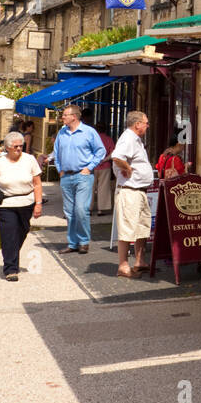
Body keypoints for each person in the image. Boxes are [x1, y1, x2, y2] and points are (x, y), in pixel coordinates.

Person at [0, 131, 43, 282]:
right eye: (15, 146)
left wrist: (38, 203)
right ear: (8, 147)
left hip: (26, 202)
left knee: (22, 232)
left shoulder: (30, 160)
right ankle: (11, 268)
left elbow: (37, 183)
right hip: (5, 204)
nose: (18, 149)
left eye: (20, 146)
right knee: (9, 233)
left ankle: (11, 252)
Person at [50, 103, 107, 254]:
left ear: (74, 117)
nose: (62, 117)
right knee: (69, 212)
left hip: (83, 176)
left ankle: (84, 241)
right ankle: (72, 243)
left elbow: (100, 151)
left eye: (65, 115)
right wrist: (60, 170)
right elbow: (56, 153)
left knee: (81, 209)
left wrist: (89, 168)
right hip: (66, 176)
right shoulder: (62, 133)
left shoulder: (89, 132)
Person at [110, 110, 153, 278]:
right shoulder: (128, 138)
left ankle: (140, 260)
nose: (147, 126)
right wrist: (127, 168)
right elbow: (116, 157)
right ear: (137, 124)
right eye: (146, 123)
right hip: (130, 191)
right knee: (127, 229)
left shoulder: (136, 140)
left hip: (139, 191)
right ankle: (123, 265)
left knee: (142, 227)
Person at [87, 112, 116, 217]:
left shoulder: (91, 139)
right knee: (103, 187)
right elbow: (113, 153)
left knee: (90, 187)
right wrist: (104, 160)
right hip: (105, 166)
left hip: (92, 166)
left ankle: (88, 209)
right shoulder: (109, 139)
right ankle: (101, 209)